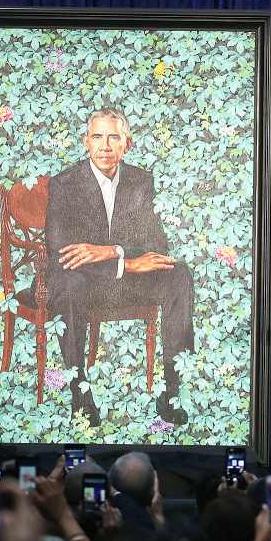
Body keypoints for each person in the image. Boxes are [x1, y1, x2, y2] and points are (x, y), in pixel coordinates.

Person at [45, 108, 195, 426]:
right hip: (79, 280)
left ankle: (171, 391)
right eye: (97, 136)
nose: (105, 145)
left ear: (127, 143)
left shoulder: (141, 181)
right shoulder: (65, 183)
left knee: (178, 273)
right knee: (69, 282)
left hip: (120, 277)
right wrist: (126, 264)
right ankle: (80, 395)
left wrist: (111, 251)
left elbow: (157, 244)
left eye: (114, 137)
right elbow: (64, 252)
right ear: (86, 142)